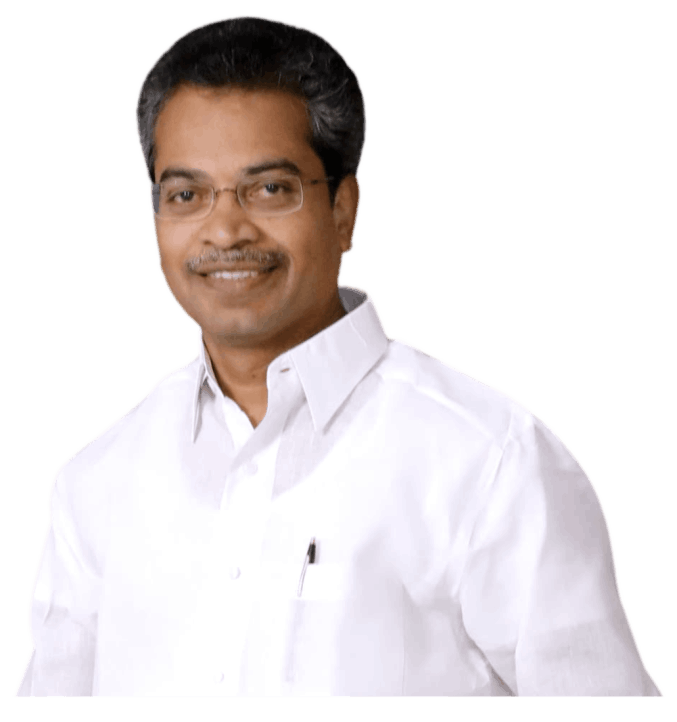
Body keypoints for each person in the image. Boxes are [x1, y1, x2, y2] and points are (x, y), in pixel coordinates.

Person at [14, 15, 663, 698]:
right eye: (186, 195)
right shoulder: (98, 483)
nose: (225, 229)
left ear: (343, 208)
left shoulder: (488, 463)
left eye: (270, 188)